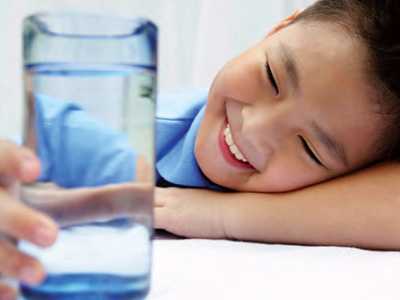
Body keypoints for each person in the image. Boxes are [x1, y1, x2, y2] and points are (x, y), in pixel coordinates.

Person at [1, 0, 400, 297]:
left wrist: (222, 215)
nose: (254, 130)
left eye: (310, 148)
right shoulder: (120, 131)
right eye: (271, 76)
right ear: (279, 28)